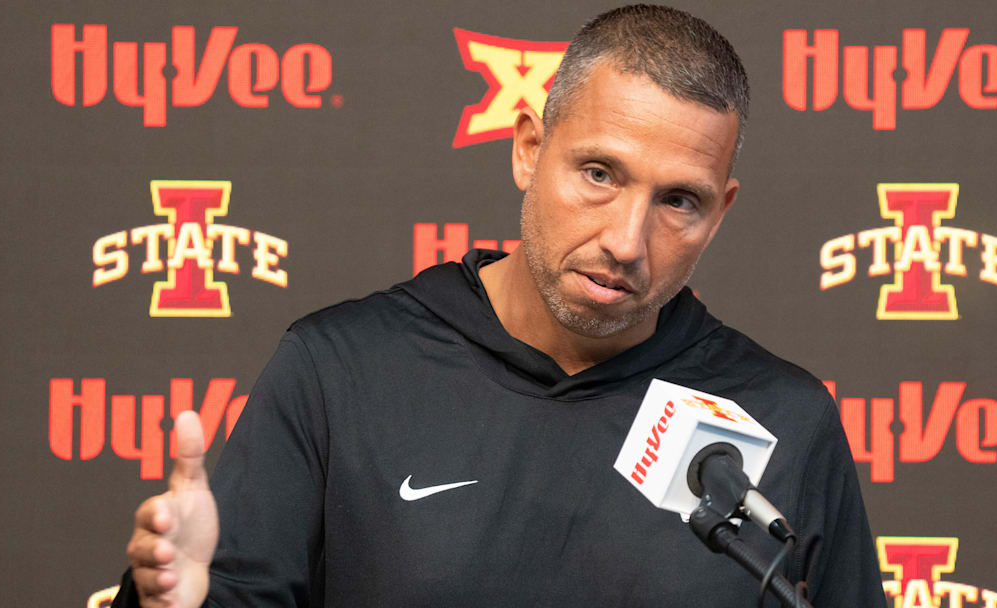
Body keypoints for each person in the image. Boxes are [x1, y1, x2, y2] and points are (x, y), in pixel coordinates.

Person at [115, 5, 886, 607]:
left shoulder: (785, 418)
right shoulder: (340, 372)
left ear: (720, 213)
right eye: (599, 174)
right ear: (527, 149)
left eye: (679, 200)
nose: (626, 240)